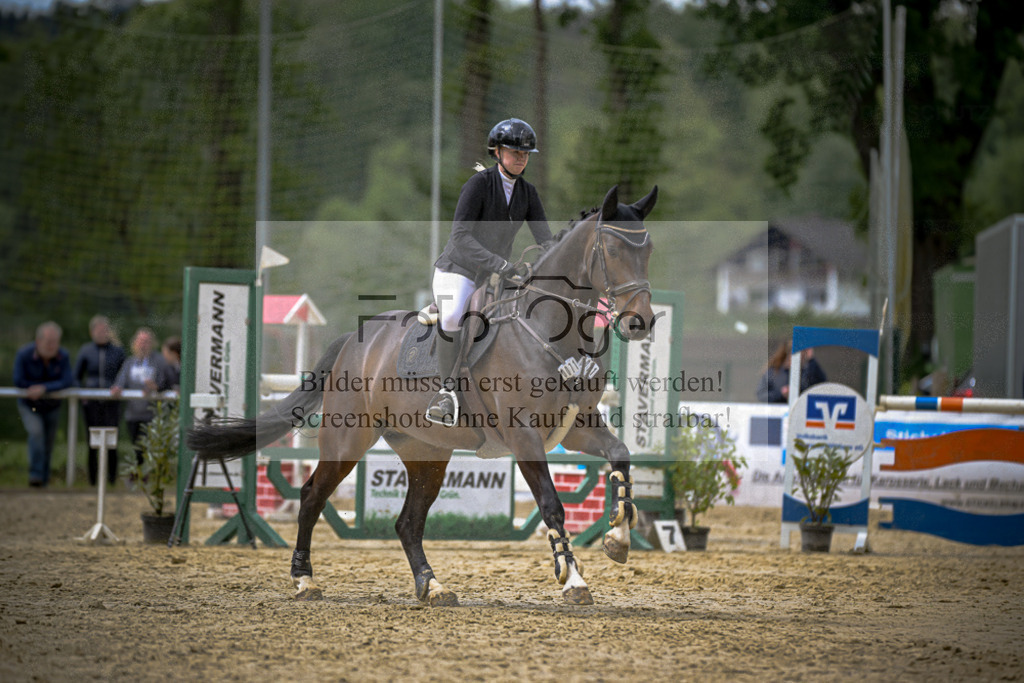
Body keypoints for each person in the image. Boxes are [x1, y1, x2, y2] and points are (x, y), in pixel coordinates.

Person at [426, 118, 553, 425]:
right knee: (455, 313)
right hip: (457, 270)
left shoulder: (528, 193)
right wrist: (500, 265)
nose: (521, 158)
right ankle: (446, 394)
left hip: (494, 277)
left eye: (525, 153)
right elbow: (460, 237)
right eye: (514, 152)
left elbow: (546, 241)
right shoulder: (478, 185)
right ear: (496, 152)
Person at [13, 321, 74, 487]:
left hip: (52, 406)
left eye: (55, 342)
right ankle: (36, 475)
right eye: (49, 342)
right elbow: (18, 379)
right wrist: (31, 389)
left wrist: (44, 388)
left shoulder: (63, 356)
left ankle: (44, 479)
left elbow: (68, 380)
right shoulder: (24, 354)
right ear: (38, 341)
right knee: (36, 433)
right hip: (29, 405)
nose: (52, 346)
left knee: (48, 442)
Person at [73, 315, 126, 486]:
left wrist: (118, 387)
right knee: (92, 441)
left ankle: (111, 480)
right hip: (92, 403)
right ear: (92, 332)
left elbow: (123, 375)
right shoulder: (86, 351)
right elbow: (76, 376)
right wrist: (83, 393)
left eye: (105, 330)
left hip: (111, 403)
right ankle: (92, 481)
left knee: (111, 441)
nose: (102, 333)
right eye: (99, 330)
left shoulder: (118, 352)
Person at [111, 327, 175, 463]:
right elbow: (120, 381)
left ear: (152, 343)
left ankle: (150, 476)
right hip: (133, 413)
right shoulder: (129, 362)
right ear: (134, 343)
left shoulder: (159, 361)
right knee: (137, 448)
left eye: (146, 341)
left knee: (150, 448)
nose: (142, 344)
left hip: (152, 414)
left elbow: (166, 382)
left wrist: (155, 387)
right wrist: (117, 388)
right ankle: (141, 477)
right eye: (140, 341)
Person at [757, 340, 827, 403]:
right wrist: (781, 394)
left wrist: (811, 360)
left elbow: (823, 386)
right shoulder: (773, 372)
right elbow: (761, 395)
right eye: (802, 354)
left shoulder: (807, 372)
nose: (803, 358)